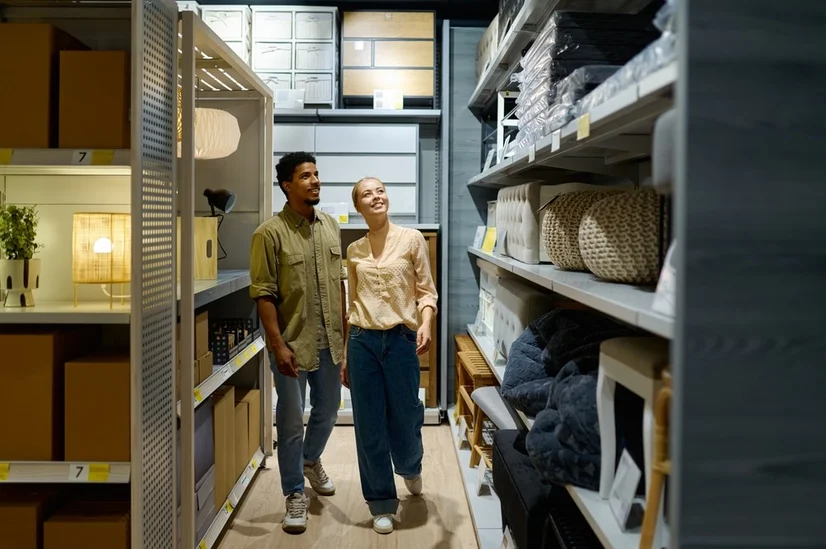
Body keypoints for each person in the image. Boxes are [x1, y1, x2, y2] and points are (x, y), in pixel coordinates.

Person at [249, 151, 347, 534]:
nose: (315, 181)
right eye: (306, 176)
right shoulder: (268, 233)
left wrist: (344, 336)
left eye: (317, 174)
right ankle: (294, 492)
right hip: (291, 343)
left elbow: (339, 284)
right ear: (287, 185)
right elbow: (264, 294)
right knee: (291, 421)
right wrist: (277, 345)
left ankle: (310, 461)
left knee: (328, 410)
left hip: (328, 341)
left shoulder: (330, 227)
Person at [342, 177, 438, 534]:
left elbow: (426, 292)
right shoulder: (354, 252)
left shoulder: (411, 239)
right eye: (367, 193)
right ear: (359, 207)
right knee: (368, 423)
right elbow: (352, 305)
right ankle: (381, 500)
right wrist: (347, 356)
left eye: (380, 190)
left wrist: (425, 324)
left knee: (406, 412)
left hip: (401, 339)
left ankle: (411, 464)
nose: (376, 196)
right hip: (363, 341)